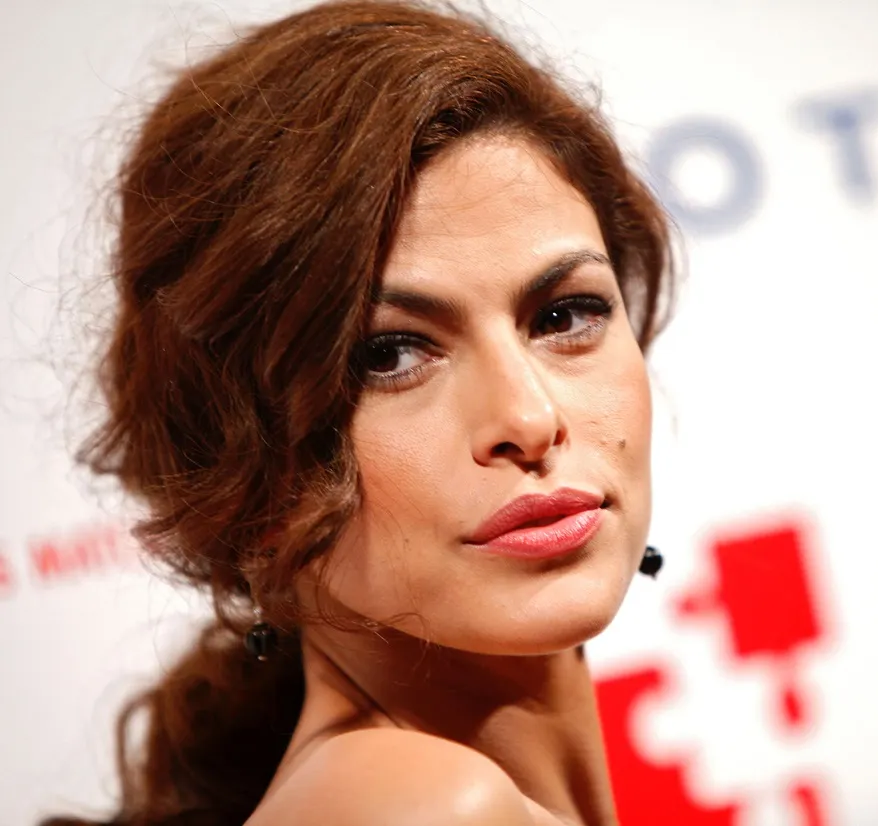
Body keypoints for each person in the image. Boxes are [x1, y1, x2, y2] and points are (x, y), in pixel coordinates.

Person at [39, 2, 674, 824]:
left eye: (564, 315)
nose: (529, 417)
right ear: (239, 462)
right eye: (390, 355)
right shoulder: (433, 809)